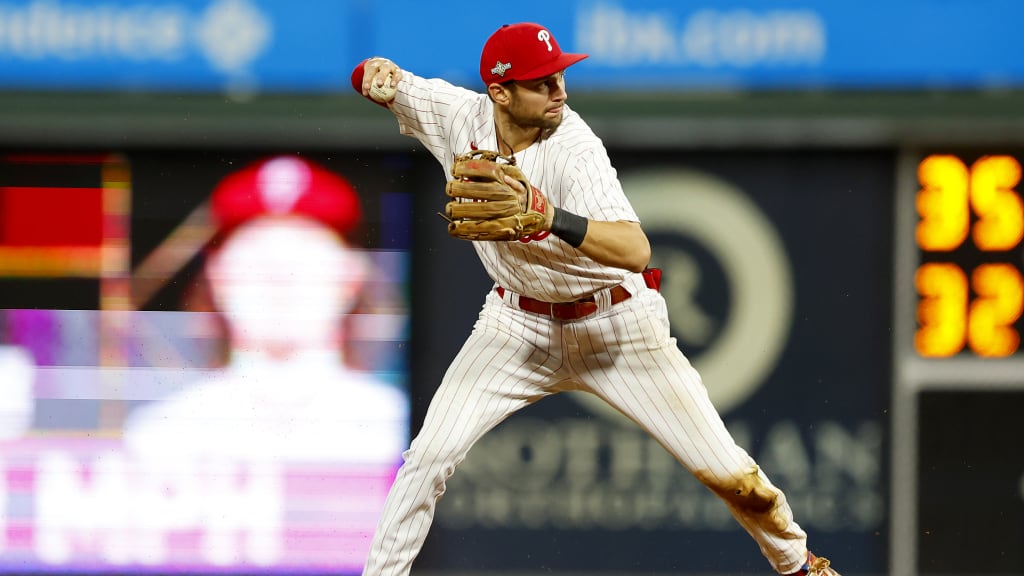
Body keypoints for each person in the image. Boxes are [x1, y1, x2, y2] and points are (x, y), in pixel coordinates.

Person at [351, 23, 840, 576]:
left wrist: (550, 217)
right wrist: (377, 76)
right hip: (516, 329)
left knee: (729, 473)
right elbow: (376, 79)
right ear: (501, 92)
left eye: (560, 75)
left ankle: (800, 566)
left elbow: (635, 249)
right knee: (427, 459)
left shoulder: (575, 148)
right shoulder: (458, 115)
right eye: (542, 82)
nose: (559, 89)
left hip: (616, 329)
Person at [124, 155, 408, 465]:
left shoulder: (402, 431)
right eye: (257, 252)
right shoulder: (163, 436)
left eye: (304, 251)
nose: (279, 276)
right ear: (216, 275)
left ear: (352, 275)